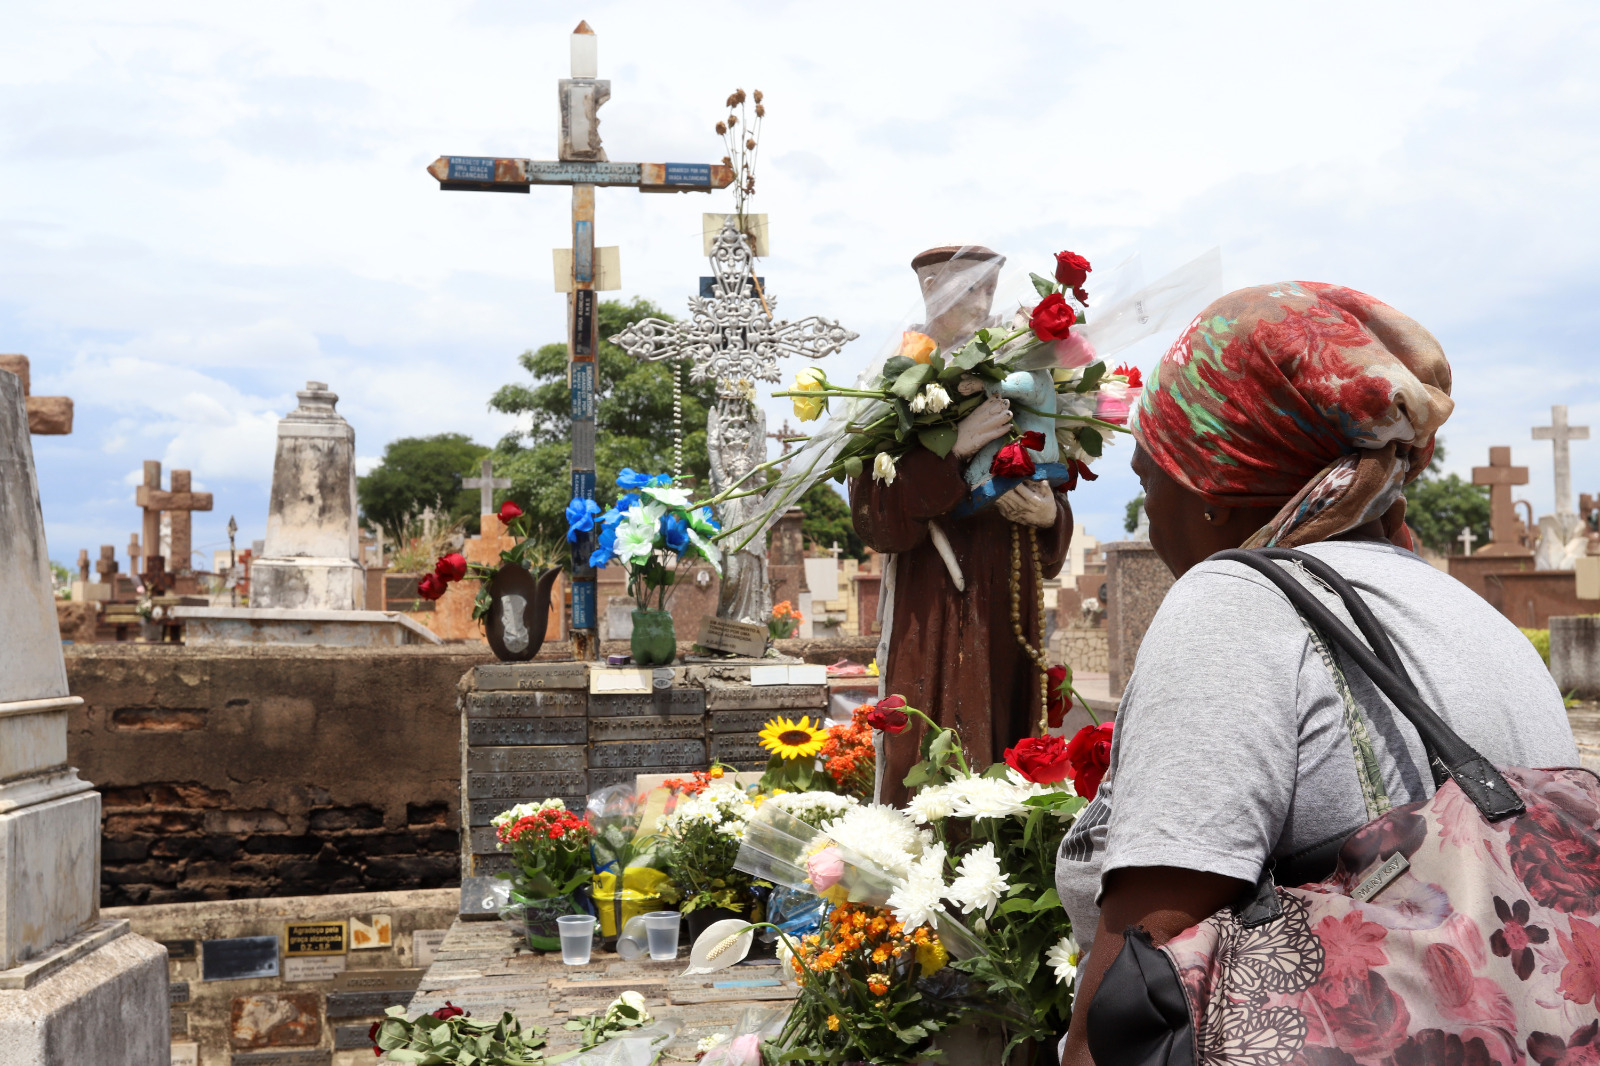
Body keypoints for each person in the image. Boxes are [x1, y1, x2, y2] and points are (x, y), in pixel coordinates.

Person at [1054, 281, 1580, 1066]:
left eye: (1147, 478)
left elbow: (1137, 986)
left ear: (1211, 488)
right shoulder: (1476, 619)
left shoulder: (1234, 604)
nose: (1149, 513)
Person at [851, 246, 1074, 805]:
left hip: (1009, 590)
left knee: (1008, 735)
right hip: (934, 598)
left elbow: (1053, 478)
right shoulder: (898, 379)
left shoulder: (1017, 367)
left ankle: (1006, 847)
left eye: (989, 289)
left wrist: (1050, 516)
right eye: (969, 288)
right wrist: (956, 448)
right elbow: (875, 516)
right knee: (936, 736)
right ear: (932, 289)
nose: (981, 303)